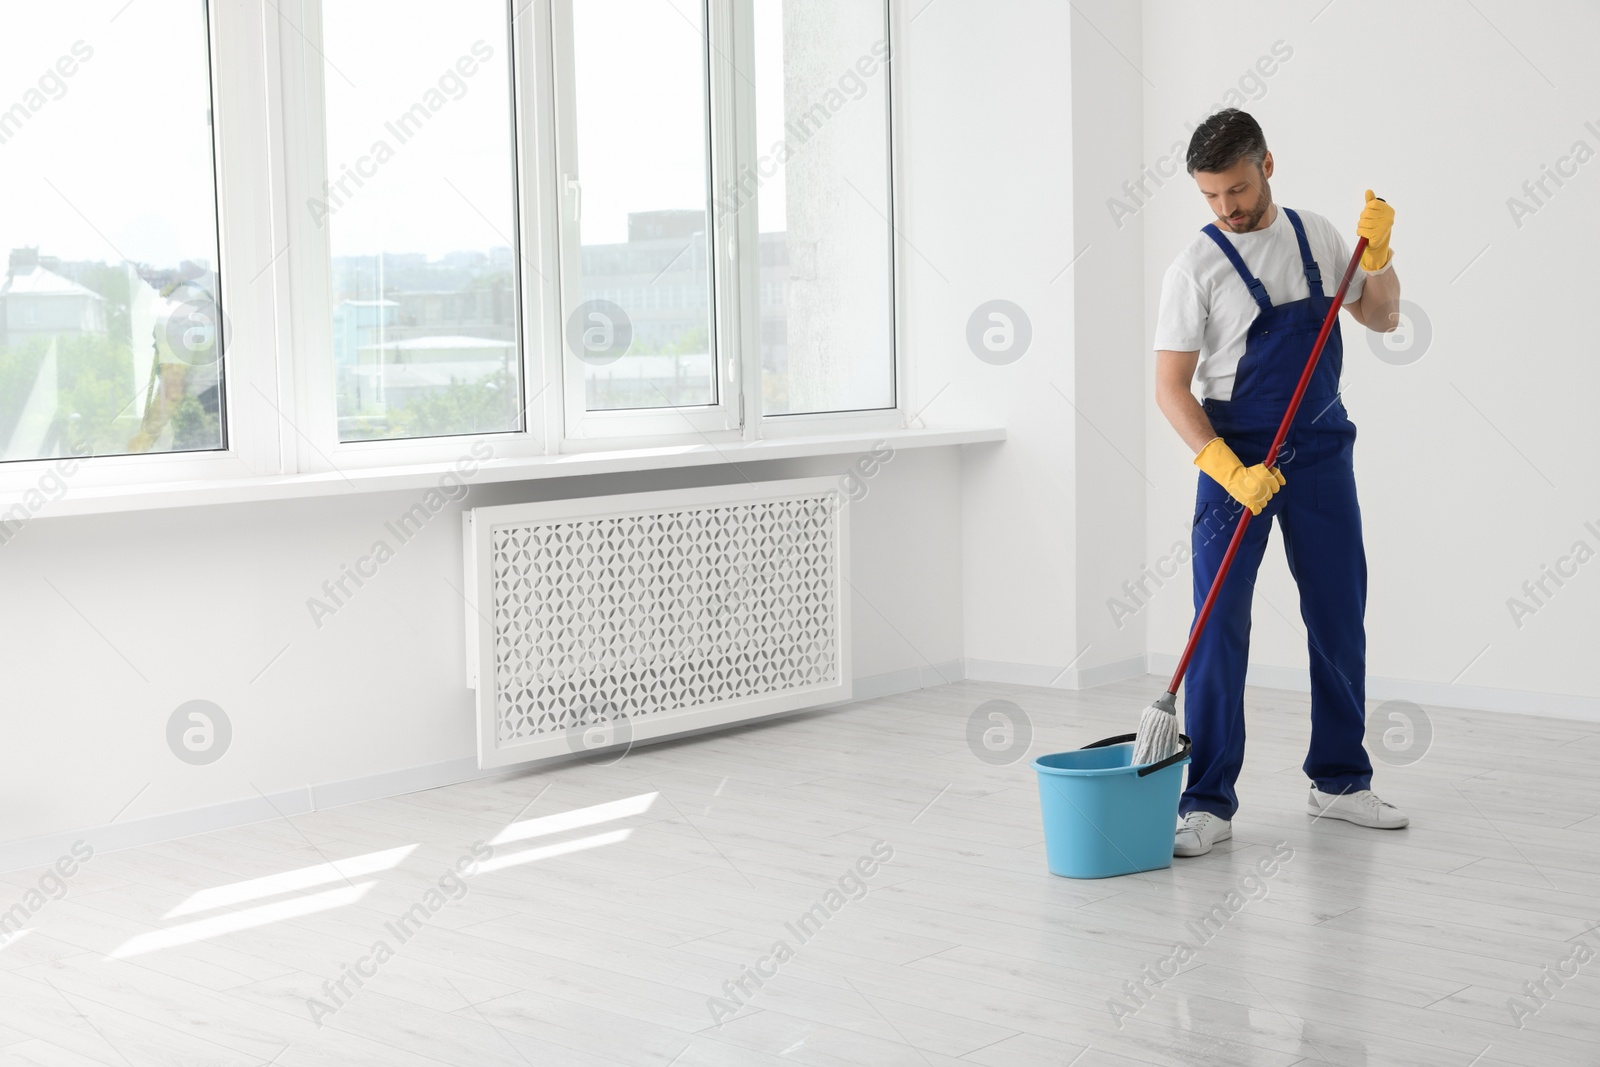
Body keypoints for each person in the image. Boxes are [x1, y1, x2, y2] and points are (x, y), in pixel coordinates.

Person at [1152, 109, 1406, 858]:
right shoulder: (1192, 268)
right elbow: (1171, 389)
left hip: (1322, 449)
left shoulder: (1321, 236)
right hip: (1234, 459)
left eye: (1236, 188)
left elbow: (1383, 317)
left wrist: (1382, 253)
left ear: (1267, 163)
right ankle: (1207, 799)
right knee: (1220, 624)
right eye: (1211, 197)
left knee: (1337, 613)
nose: (1227, 209)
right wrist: (1227, 467)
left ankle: (1338, 781)